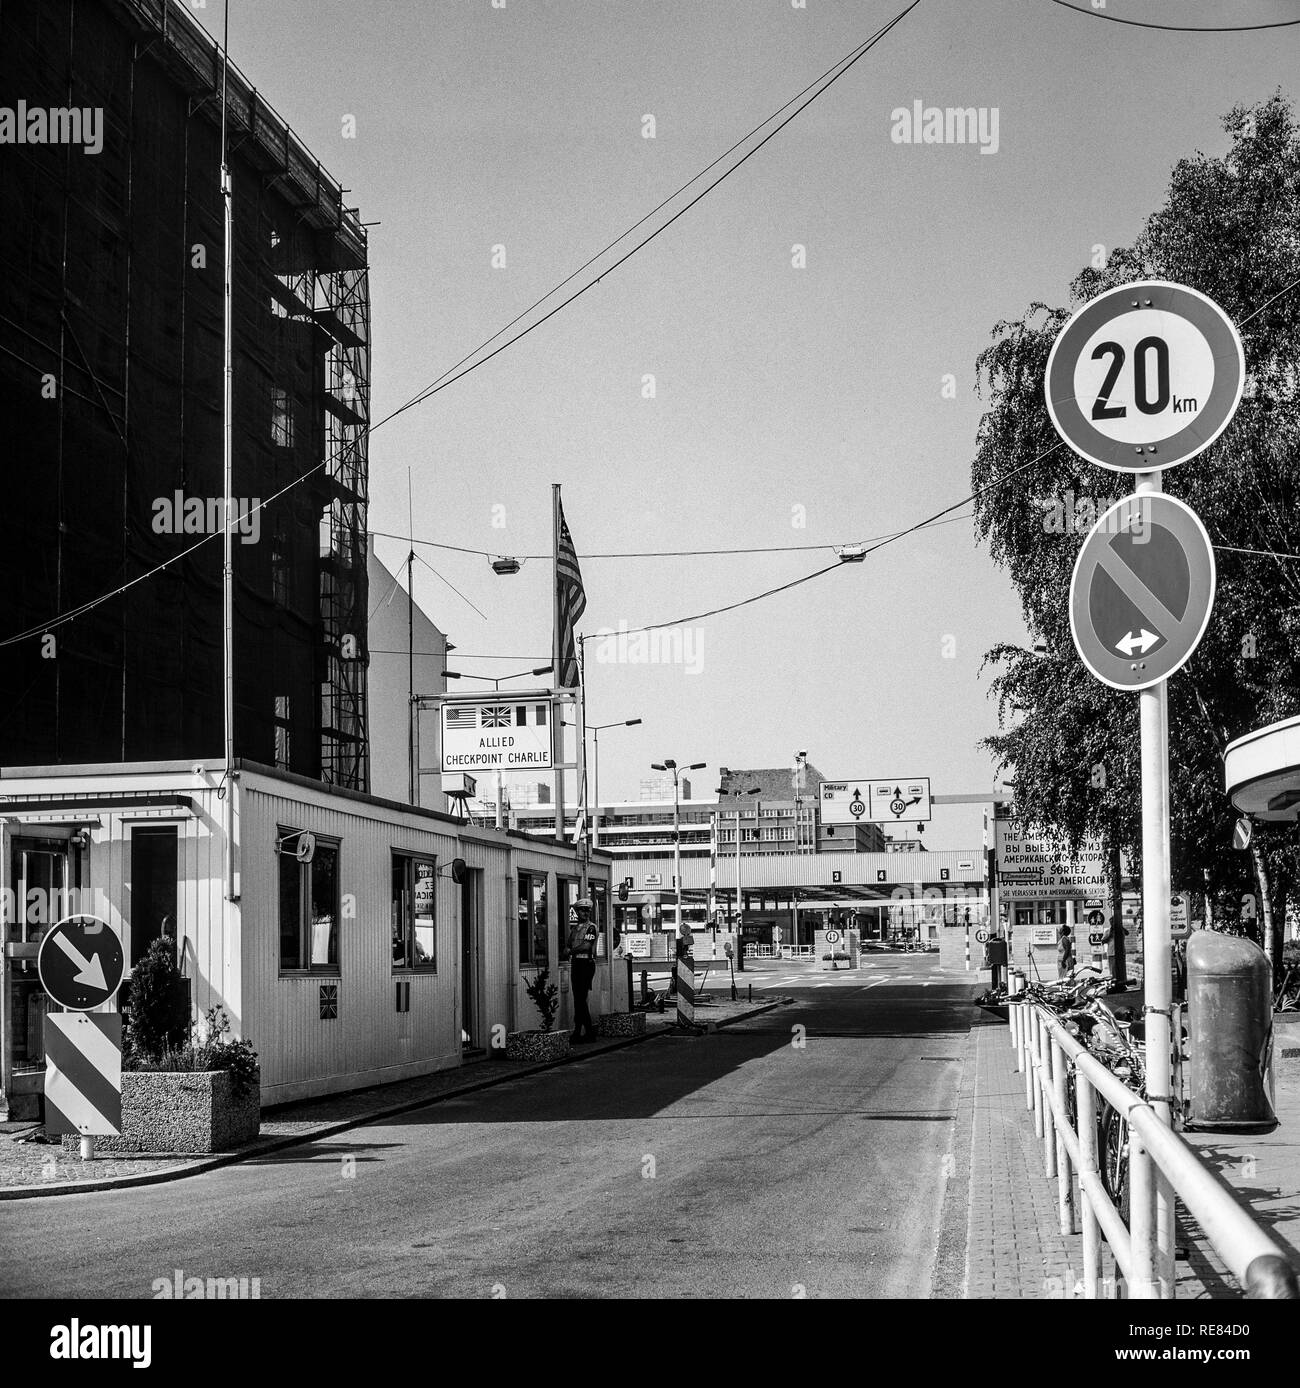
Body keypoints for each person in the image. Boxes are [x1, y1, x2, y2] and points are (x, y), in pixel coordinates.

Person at [568, 897, 599, 1043]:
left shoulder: (591, 927)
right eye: (582, 910)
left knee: (580, 998)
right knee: (578, 999)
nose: (585, 913)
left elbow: (587, 946)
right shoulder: (575, 928)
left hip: (586, 963)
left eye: (587, 910)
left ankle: (584, 1032)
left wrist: (569, 952)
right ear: (577, 911)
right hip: (576, 963)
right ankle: (582, 1031)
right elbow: (568, 944)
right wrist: (570, 951)